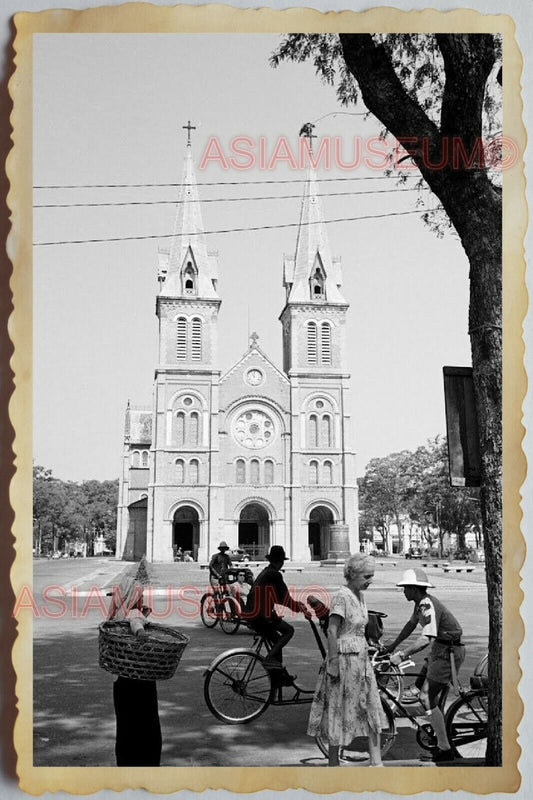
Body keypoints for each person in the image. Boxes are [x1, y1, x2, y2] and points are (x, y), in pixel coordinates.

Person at [307, 553, 385, 767]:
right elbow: (332, 630)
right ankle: (334, 764)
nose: (370, 580)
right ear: (353, 574)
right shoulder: (342, 596)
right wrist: (332, 662)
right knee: (339, 709)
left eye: (372, 576)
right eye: (367, 576)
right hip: (344, 660)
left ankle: (376, 762)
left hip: (361, 659)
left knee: (370, 706)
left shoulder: (360, 595)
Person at [382, 567, 465, 763]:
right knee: (420, 689)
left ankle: (445, 748)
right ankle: (439, 729)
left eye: (405, 588)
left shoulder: (427, 604)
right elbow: (411, 625)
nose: (403, 591)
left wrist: (401, 655)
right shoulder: (420, 603)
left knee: (426, 696)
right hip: (440, 650)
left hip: (447, 652)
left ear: (414, 588)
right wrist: (393, 645)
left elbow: (426, 638)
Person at [245, 545, 309, 680]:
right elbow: (284, 598)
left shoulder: (266, 572)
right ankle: (269, 659)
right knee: (288, 631)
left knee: (276, 640)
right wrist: (299, 608)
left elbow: (278, 598)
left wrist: (296, 606)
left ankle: (278, 675)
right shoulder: (274, 574)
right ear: (281, 561)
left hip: (254, 613)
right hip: (261, 615)